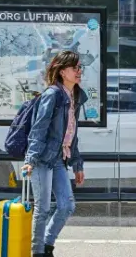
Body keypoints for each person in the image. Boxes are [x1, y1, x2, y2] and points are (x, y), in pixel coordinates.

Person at [22, 50, 87, 257]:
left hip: (60, 159)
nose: (79, 72)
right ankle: (38, 252)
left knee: (67, 206)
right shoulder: (52, 95)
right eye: (74, 68)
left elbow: (72, 135)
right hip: (42, 158)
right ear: (61, 72)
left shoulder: (74, 96)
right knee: (41, 209)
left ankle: (48, 244)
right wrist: (31, 159)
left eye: (80, 68)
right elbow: (38, 128)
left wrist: (77, 164)